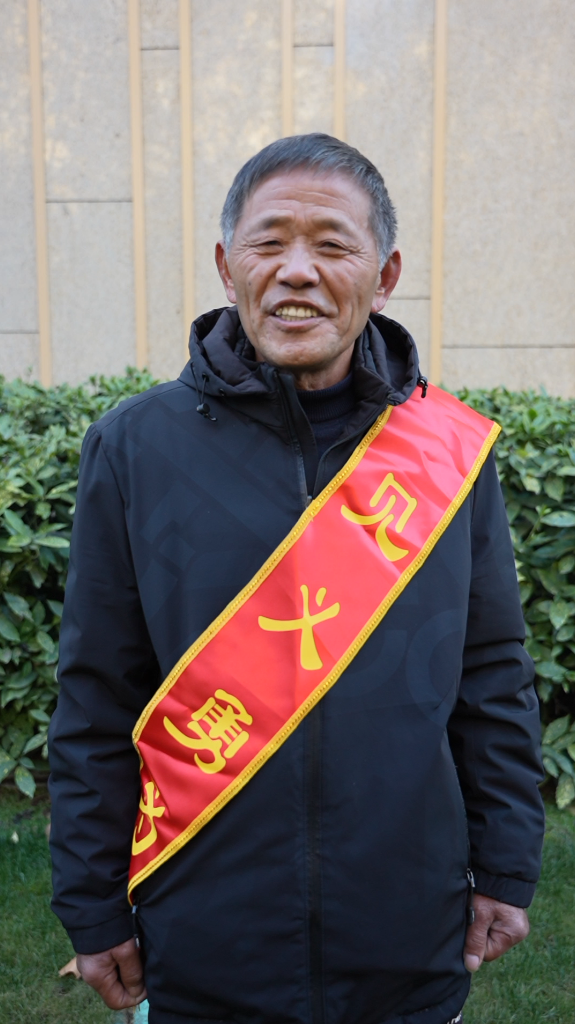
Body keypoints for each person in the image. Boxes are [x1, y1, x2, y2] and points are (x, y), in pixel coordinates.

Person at [49, 133, 544, 1024]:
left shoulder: (448, 455)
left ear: (384, 275)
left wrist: (505, 865)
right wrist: (90, 904)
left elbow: (490, 673)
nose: (297, 272)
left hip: (406, 936)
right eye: (269, 242)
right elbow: (96, 695)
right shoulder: (134, 448)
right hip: (202, 941)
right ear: (225, 266)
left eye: (331, 245)